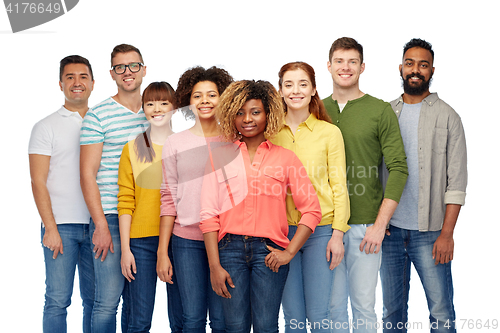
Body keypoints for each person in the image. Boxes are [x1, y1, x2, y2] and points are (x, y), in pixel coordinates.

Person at [200, 79, 323, 333]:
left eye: (255, 112)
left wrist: (288, 252)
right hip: (229, 250)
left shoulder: (285, 158)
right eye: (240, 112)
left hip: (269, 253)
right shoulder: (219, 156)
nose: (247, 119)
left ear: (268, 114)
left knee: (267, 326)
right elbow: (209, 214)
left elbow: (311, 209)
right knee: (235, 326)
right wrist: (214, 266)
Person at [380, 38, 467, 333]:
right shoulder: (386, 113)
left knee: (441, 313)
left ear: (431, 70)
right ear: (401, 68)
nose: (415, 70)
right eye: (410, 63)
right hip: (389, 234)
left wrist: (447, 234)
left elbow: (457, 181)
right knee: (391, 314)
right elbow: (375, 173)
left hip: (430, 234)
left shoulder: (448, 117)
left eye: (423, 64)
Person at [322, 37, 408, 333]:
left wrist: (379, 224)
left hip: (364, 228)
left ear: (362, 67)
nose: (345, 67)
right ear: (329, 65)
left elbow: (398, 169)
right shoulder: (315, 110)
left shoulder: (379, 110)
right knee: (331, 308)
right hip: (324, 226)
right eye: (339, 61)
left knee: (363, 306)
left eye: (352, 62)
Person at [271, 62, 350, 333]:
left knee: (319, 315)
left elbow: (339, 186)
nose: (296, 91)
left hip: (320, 232)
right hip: (281, 234)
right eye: (289, 85)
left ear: (314, 89)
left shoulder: (330, 134)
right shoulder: (270, 134)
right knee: (292, 316)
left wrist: (337, 235)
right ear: (280, 90)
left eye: (303, 84)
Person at [157, 66, 233, 333]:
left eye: (212, 95)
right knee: (192, 319)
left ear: (223, 98)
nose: (205, 101)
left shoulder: (235, 142)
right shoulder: (175, 143)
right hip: (185, 241)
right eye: (197, 95)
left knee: (223, 321)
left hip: (226, 241)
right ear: (188, 100)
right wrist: (162, 252)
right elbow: (168, 199)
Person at [80, 44, 148, 333]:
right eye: (120, 67)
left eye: (133, 66)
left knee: (137, 304)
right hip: (110, 214)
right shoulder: (98, 115)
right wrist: (100, 225)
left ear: (144, 69)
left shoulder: (156, 111)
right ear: (112, 73)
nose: (127, 72)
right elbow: (87, 174)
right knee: (107, 302)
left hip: (144, 219)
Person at [29, 55, 95, 333]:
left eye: (82, 77)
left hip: (99, 226)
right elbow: (38, 180)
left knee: (96, 301)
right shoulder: (45, 126)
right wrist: (50, 227)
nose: (76, 82)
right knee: (57, 300)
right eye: (70, 77)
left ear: (93, 82)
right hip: (62, 227)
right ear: (60, 84)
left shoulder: (100, 120)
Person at [117, 82, 177, 332]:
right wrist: (126, 249)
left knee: (183, 319)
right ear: (143, 109)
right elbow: (125, 200)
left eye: (164, 102)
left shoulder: (185, 145)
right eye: (150, 103)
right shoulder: (132, 148)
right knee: (139, 320)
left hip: (178, 239)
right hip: (140, 241)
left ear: (174, 108)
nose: (157, 109)